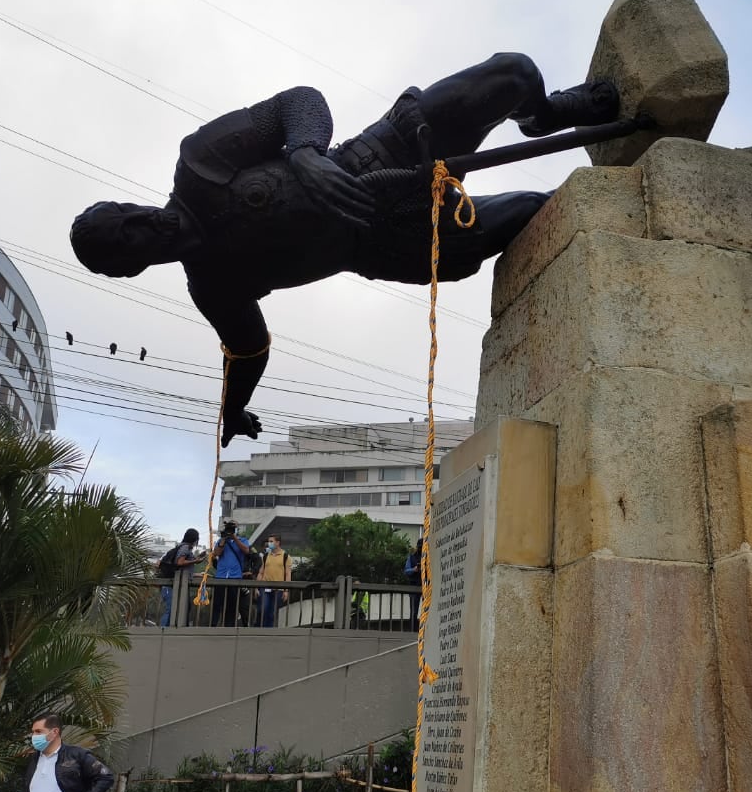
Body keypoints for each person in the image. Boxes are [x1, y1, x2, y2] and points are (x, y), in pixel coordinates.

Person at [69, 54, 618, 447]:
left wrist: (306, 154)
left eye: (127, 221)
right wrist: (232, 412)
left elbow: (297, 102)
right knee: (542, 212)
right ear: (132, 267)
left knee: (513, 75)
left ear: (128, 207)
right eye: (128, 248)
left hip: (382, 150)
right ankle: (614, 199)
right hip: (389, 243)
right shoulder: (213, 282)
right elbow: (248, 350)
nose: (142, 230)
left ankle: (547, 114)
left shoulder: (200, 165)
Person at [210, 521, 252, 628]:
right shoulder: (221, 541)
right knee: (217, 604)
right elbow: (216, 553)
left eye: (233, 528)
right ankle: (213, 626)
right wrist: (224, 538)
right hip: (221, 576)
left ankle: (229, 628)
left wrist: (234, 537)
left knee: (232, 605)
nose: (230, 531)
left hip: (235, 577)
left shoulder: (243, 540)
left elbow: (246, 551)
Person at [158, 528, 202, 627]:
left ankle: (171, 628)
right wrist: (195, 561)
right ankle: (163, 630)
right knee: (171, 608)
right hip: (170, 583)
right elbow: (179, 562)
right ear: (194, 539)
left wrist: (197, 574)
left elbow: (181, 570)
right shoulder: (185, 548)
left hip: (176, 582)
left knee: (178, 607)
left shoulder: (181, 547)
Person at [257, 534, 291, 628]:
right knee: (263, 609)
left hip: (279, 589)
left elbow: (288, 574)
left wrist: (286, 590)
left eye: (271, 541)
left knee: (272, 612)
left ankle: (268, 632)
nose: (269, 543)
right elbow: (261, 572)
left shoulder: (285, 556)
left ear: (277, 543)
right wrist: (256, 587)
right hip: (265, 587)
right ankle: (259, 629)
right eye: (269, 541)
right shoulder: (266, 555)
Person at [404, 538, 423, 631]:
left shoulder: (427, 556)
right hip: (414, 585)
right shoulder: (411, 557)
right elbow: (406, 571)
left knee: (425, 610)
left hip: (424, 586)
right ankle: (413, 629)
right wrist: (414, 569)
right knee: (413, 611)